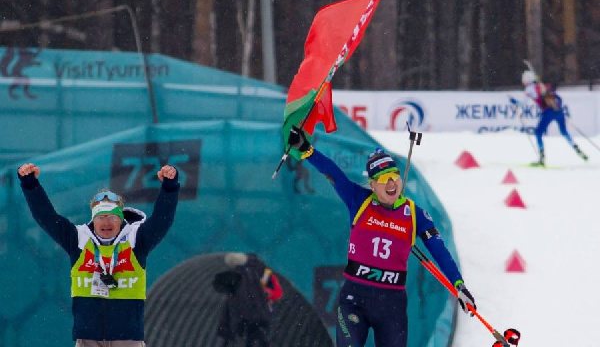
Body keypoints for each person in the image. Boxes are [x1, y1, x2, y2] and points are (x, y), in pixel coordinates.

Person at [287, 126, 476, 347]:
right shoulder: (359, 200)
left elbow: (439, 251)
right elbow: (333, 172)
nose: (390, 183)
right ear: (373, 185)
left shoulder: (415, 214)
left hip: (391, 305)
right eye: (383, 178)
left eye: (394, 176)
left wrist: (458, 285)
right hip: (355, 298)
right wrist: (306, 149)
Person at [17, 162, 180, 347]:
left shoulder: (136, 240)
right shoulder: (78, 240)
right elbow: (46, 217)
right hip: (88, 337)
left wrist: (169, 187)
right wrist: (30, 185)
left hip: (127, 338)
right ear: (93, 219)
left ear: (120, 218)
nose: (106, 222)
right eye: (100, 217)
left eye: (112, 216)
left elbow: (162, 220)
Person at [510, 70, 588, 166]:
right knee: (564, 132)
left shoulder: (529, 88)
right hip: (558, 110)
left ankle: (542, 159)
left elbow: (523, 103)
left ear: (525, 80)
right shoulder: (542, 85)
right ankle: (577, 148)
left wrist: (513, 101)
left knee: (538, 133)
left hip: (547, 112)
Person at [213, 252, 283, 347]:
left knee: (253, 339)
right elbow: (276, 292)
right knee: (258, 338)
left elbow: (231, 303)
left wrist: (226, 327)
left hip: (247, 318)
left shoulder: (237, 276)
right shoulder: (259, 272)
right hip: (262, 315)